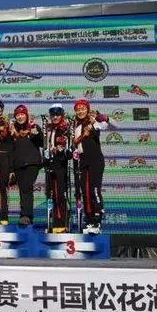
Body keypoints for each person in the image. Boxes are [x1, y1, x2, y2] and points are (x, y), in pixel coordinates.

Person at [71, 99, 109, 234]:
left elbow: (106, 126)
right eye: (77, 109)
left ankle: (97, 220)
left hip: (95, 161)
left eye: (83, 109)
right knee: (85, 192)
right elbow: (75, 144)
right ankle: (89, 221)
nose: (80, 111)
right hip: (83, 162)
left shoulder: (93, 121)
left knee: (94, 190)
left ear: (87, 110)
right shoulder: (75, 126)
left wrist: (102, 119)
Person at [9, 105, 44, 226]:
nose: (20, 117)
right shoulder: (12, 130)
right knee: (22, 189)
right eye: (17, 115)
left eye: (22, 114)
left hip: (32, 163)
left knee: (26, 187)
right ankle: (26, 216)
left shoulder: (33, 127)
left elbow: (42, 143)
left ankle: (26, 215)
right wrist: (11, 169)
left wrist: (37, 134)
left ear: (26, 115)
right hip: (18, 164)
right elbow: (11, 150)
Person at [44, 104, 70, 233]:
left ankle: (62, 223)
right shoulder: (49, 129)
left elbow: (69, 149)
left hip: (61, 166)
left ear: (62, 115)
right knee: (51, 195)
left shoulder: (66, 129)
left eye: (57, 115)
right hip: (50, 165)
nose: (55, 117)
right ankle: (53, 224)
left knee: (60, 195)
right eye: (53, 115)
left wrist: (61, 149)